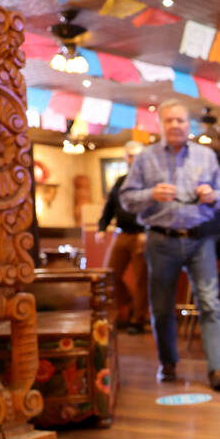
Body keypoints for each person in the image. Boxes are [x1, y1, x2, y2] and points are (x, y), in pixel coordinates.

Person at [121, 99, 220, 391]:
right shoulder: (145, 158)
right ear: (160, 125)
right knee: (161, 307)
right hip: (160, 240)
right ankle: (168, 363)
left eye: (180, 120)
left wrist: (212, 196)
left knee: (209, 303)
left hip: (199, 240)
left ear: (189, 124)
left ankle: (219, 370)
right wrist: (150, 195)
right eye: (169, 120)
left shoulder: (206, 156)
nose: (175, 126)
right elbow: (126, 198)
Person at [96, 140, 148, 334]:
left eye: (137, 155)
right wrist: (102, 227)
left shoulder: (148, 182)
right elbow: (109, 207)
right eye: (130, 155)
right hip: (122, 233)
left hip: (142, 235)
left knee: (142, 278)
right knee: (109, 274)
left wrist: (147, 231)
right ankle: (129, 302)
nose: (133, 159)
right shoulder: (120, 181)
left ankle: (138, 319)